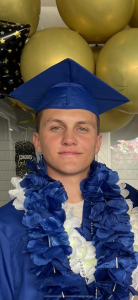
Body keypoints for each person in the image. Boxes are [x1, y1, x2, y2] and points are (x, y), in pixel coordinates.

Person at [0, 58, 138, 300]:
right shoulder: (6, 226)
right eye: (56, 127)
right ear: (37, 141)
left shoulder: (132, 206)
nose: (69, 139)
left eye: (82, 128)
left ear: (97, 142)